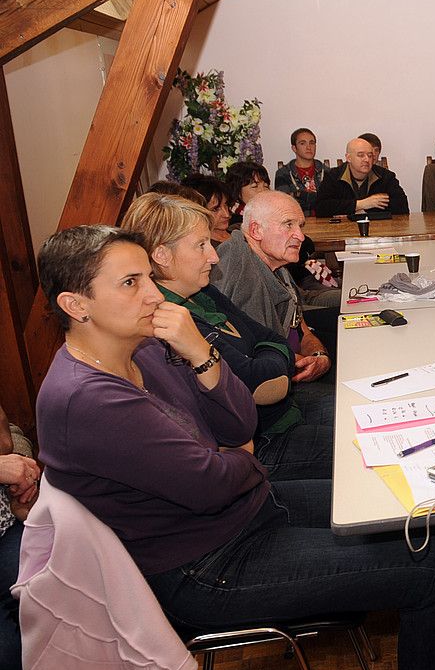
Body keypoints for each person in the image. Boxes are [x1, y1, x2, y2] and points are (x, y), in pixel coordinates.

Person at [34, 224, 435, 670]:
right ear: (75, 304)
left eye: (149, 277)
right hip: (210, 564)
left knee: (419, 509)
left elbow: (243, 417)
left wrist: (200, 353)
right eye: (131, 283)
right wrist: (237, 457)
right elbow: (210, 482)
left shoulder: (147, 350)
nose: (153, 294)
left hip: (245, 513)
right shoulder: (88, 399)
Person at [123, 192, 333, 484]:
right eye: (201, 245)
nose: (213, 255)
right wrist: (272, 355)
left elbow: (272, 339)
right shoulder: (173, 321)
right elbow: (257, 382)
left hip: (284, 415)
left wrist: (270, 354)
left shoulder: (202, 292)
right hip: (265, 443)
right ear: (161, 255)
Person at [211, 191, 333, 390]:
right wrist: (310, 364)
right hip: (280, 387)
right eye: (288, 225)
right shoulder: (237, 263)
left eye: (300, 226)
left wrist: (320, 357)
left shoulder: (277, 266)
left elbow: (301, 329)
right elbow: (252, 354)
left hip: (296, 369)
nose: (300, 236)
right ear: (256, 230)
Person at [0, 405, 39, 670]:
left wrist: (21, 474)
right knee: (7, 658)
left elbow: (10, 430)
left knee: (42, 591)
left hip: (5, 529)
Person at [314, 137, 409, 217]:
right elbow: (321, 208)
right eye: (361, 155)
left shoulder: (385, 176)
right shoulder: (333, 176)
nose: (366, 159)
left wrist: (354, 211)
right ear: (348, 158)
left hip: (378, 230)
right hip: (342, 232)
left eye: (370, 155)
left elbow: (402, 208)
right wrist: (361, 204)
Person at [274, 127, 326, 216]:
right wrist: (319, 199)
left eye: (312, 143)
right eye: (302, 143)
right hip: (297, 223)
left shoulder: (327, 171)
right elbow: (286, 205)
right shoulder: (283, 173)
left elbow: (333, 202)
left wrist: (298, 195)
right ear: (294, 148)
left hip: (325, 221)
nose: (309, 147)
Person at [181, 173, 234, 245]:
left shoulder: (238, 232)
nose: (226, 214)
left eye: (226, 205)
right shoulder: (203, 249)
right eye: (215, 209)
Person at [225, 161, 272, 227]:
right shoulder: (232, 223)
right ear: (236, 190)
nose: (263, 191)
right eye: (255, 186)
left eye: (266, 186)